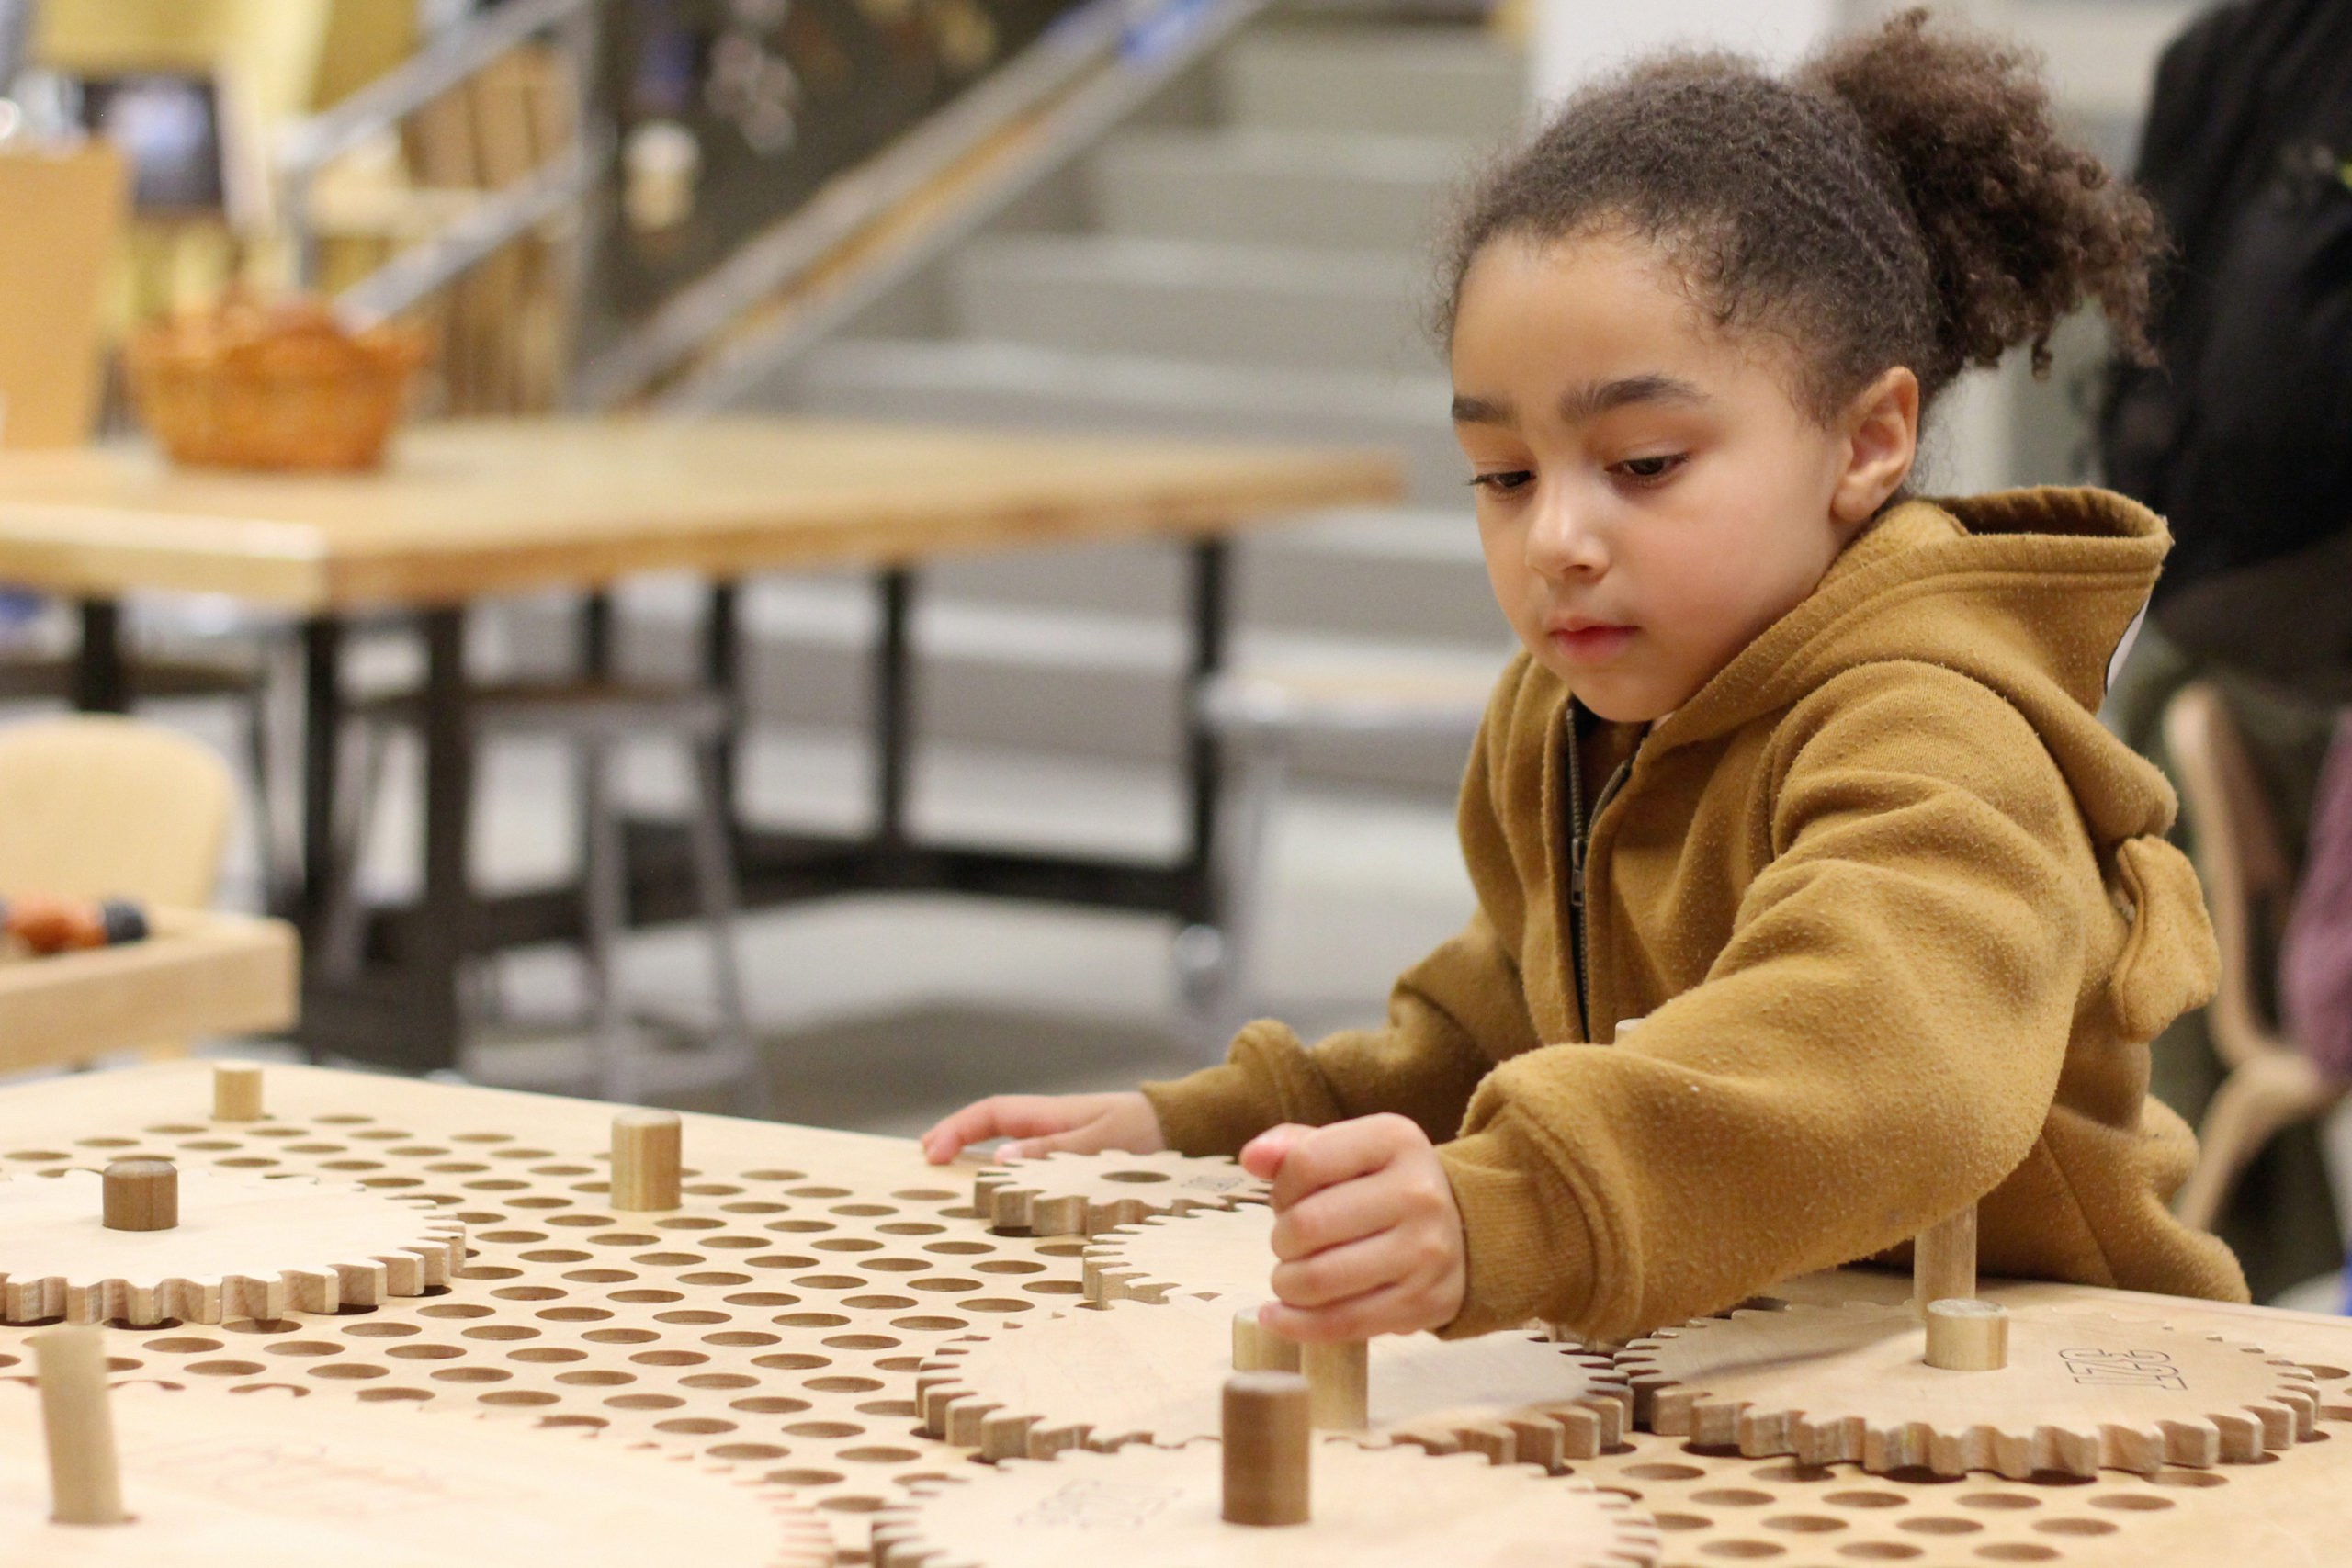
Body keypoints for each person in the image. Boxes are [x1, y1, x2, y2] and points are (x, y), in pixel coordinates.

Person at [922, 8, 2251, 1345]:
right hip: (1769, 1356)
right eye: (1504, 476)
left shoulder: (1938, 727)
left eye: (1643, 465)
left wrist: (1523, 1203)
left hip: (2050, 1377)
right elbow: (1506, 1020)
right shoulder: (1564, 713)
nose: (1557, 538)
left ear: (1866, 443)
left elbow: (1883, 1052)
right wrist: (1208, 1131)